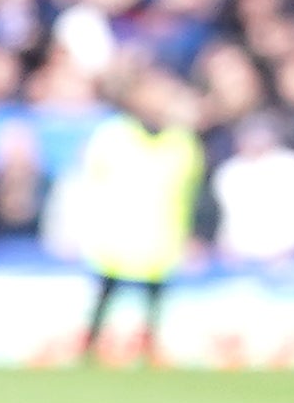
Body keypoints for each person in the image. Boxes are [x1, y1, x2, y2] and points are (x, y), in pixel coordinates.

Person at [65, 71, 202, 362]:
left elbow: (193, 195)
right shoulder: (112, 135)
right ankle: (88, 351)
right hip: (115, 239)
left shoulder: (183, 142)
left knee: (154, 304)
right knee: (104, 297)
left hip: (161, 242)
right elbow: (86, 184)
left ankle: (149, 353)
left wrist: (193, 235)